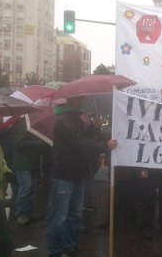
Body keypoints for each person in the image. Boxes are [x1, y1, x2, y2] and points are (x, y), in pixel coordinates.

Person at [48, 96, 118, 257]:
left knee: (74, 214)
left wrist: (95, 127)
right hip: (64, 174)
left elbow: (85, 136)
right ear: (71, 102)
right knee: (60, 217)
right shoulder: (64, 121)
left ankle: (70, 246)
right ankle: (56, 251)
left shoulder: (76, 119)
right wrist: (105, 146)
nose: (82, 103)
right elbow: (81, 143)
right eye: (79, 100)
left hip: (78, 172)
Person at [11, 117, 49, 226]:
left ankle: (29, 212)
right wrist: (39, 143)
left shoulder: (33, 123)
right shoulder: (22, 124)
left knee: (32, 189)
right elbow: (20, 143)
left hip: (33, 163)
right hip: (23, 164)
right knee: (25, 189)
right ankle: (21, 213)